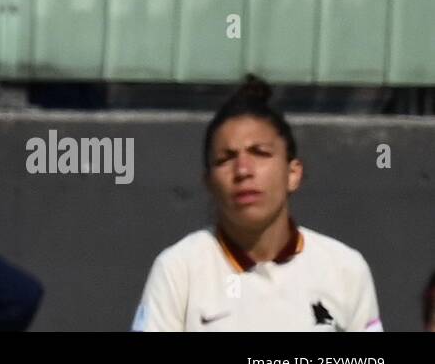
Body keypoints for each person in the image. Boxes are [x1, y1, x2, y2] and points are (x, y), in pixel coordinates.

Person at [132, 75, 382, 332]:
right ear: (208, 182)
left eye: (260, 153)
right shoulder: (178, 269)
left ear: (293, 173)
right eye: (225, 159)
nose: (242, 170)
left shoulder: (345, 269)